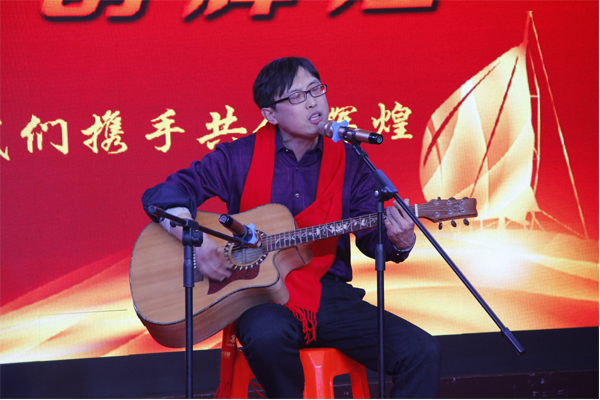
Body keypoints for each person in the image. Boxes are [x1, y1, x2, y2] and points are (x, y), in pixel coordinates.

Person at [142, 56, 441, 398]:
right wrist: (195, 241)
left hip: (328, 295)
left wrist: (399, 241)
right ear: (270, 114)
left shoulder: (351, 161)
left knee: (421, 352)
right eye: (297, 96)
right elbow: (163, 195)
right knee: (267, 334)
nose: (313, 102)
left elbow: (372, 240)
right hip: (260, 298)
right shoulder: (238, 157)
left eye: (316, 90)